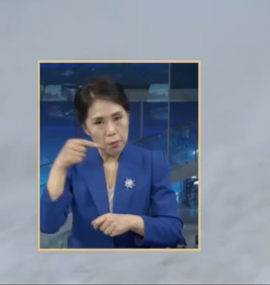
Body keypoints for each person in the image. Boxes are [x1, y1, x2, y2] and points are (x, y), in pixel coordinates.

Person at [40, 76, 185, 249]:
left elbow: (173, 231)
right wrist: (58, 168)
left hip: (135, 270)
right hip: (85, 270)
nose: (111, 131)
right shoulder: (75, 164)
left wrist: (133, 222)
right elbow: (48, 225)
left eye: (117, 118)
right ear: (86, 128)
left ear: (128, 116)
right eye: (99, 122)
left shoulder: (153, 162)